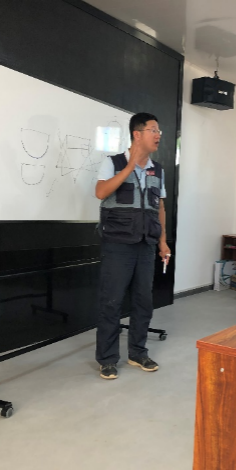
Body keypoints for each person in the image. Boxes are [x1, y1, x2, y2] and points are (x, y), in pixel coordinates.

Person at [94, 112, 170, 380]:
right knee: (112, 302)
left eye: (158, 130)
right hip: (118, 245)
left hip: (146, 245)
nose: (158, 135)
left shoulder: (157, 170)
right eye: (153, 130)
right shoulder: (113, 163)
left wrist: (162, 242)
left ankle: (138, 352)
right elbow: (101, 192)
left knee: (143, 302)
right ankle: (107, 359)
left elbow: (159, 207)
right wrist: (129, 167)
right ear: (137, 134)